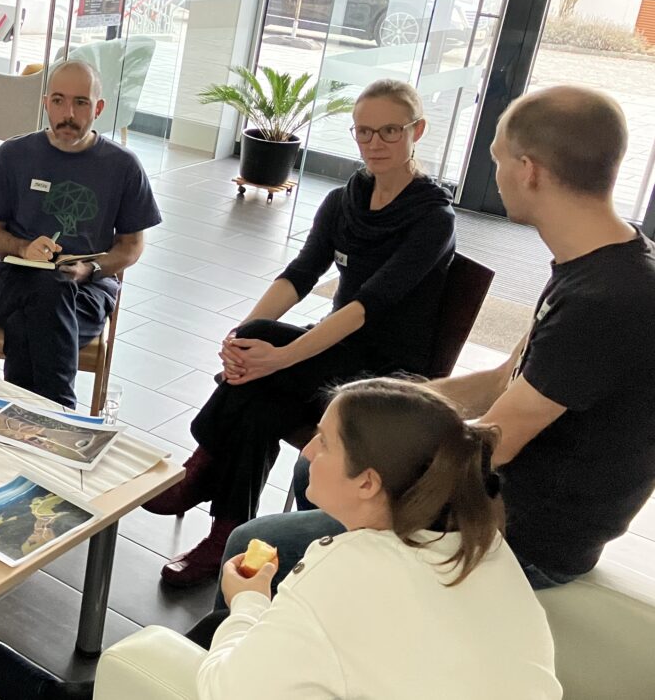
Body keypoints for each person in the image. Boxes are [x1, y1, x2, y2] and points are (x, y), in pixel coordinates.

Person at [223, 84, 655, 595]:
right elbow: (503, 380)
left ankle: (319, 597)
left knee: (251, 542)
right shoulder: (594, 265)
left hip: (518, 534)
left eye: (497, 160)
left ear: (528, 170)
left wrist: (380, 459)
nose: (496, 176)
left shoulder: (606, 300)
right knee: (315, 465)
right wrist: (377, 407)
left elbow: (497, 441)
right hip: (499, 498)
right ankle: (331, 600)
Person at [0, 378, 561, 700]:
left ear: (368, 482)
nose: (307, 451)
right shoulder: (481, 544)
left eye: (324, 441)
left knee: (221, 629)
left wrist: (251, 603)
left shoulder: (349, 568)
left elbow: (226, 690)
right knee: (234, 623)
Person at [143, 79, 456, 586]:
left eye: (390, 131)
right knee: (259, 388)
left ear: (416, 131)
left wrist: (278, 358)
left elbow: (365, 307)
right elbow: (300, 274)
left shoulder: (432, 219)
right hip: (338, 346)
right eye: (364, 132)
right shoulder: (343, 200)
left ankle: (205, 470)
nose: (375, 143)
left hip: (387, 371)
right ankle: (227, 533)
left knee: (265, 374)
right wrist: (240, 339)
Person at [0, 59, 161, 407]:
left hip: (86, 292)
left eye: (80, 103)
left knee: (31, 320)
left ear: (98, 108)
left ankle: (21, 414)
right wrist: (23, 248)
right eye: (58, 100)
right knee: (45, 292)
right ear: (46, 103)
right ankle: (60, 412)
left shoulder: (122, 166)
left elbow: (131, 246)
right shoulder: (13, 155)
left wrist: (91, 268)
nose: (68, 113)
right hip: (15, 281)